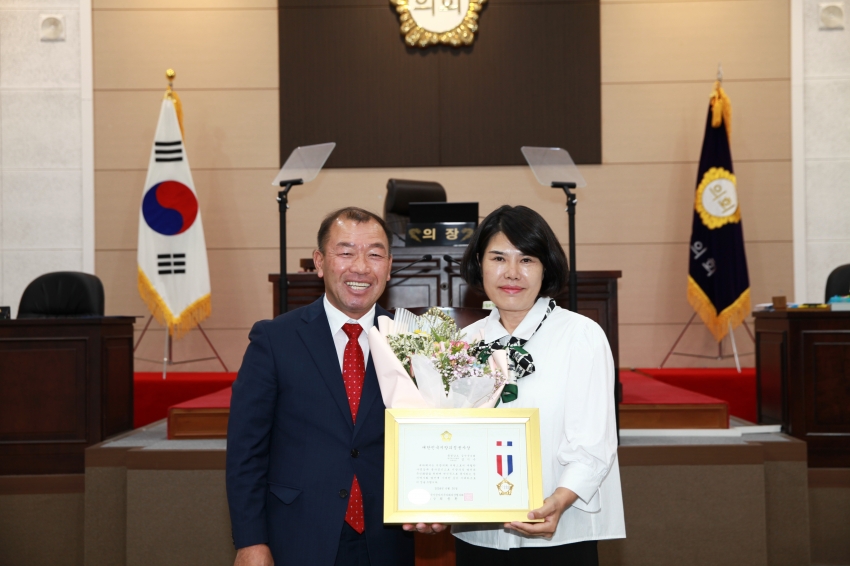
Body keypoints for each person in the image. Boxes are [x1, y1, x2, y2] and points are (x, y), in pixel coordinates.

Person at [226, 207, 415, 566]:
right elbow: (245, 452)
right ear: (319, 262)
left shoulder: (412, 340)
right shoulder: (275, 339)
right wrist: (250, 541)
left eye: (374, 254)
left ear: (389, 267)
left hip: (387, 538)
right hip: (298, 534)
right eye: (345, 252)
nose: (360, 266)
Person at [452, 205, 625, 565]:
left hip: (561, 531)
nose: (512, 273)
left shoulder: (581, 336)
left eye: (527, 259)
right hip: (481, 534)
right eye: (499, 258)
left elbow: (594, 438)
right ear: (479, 263)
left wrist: (559, 500)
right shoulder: (464, 344)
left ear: (545, 268)